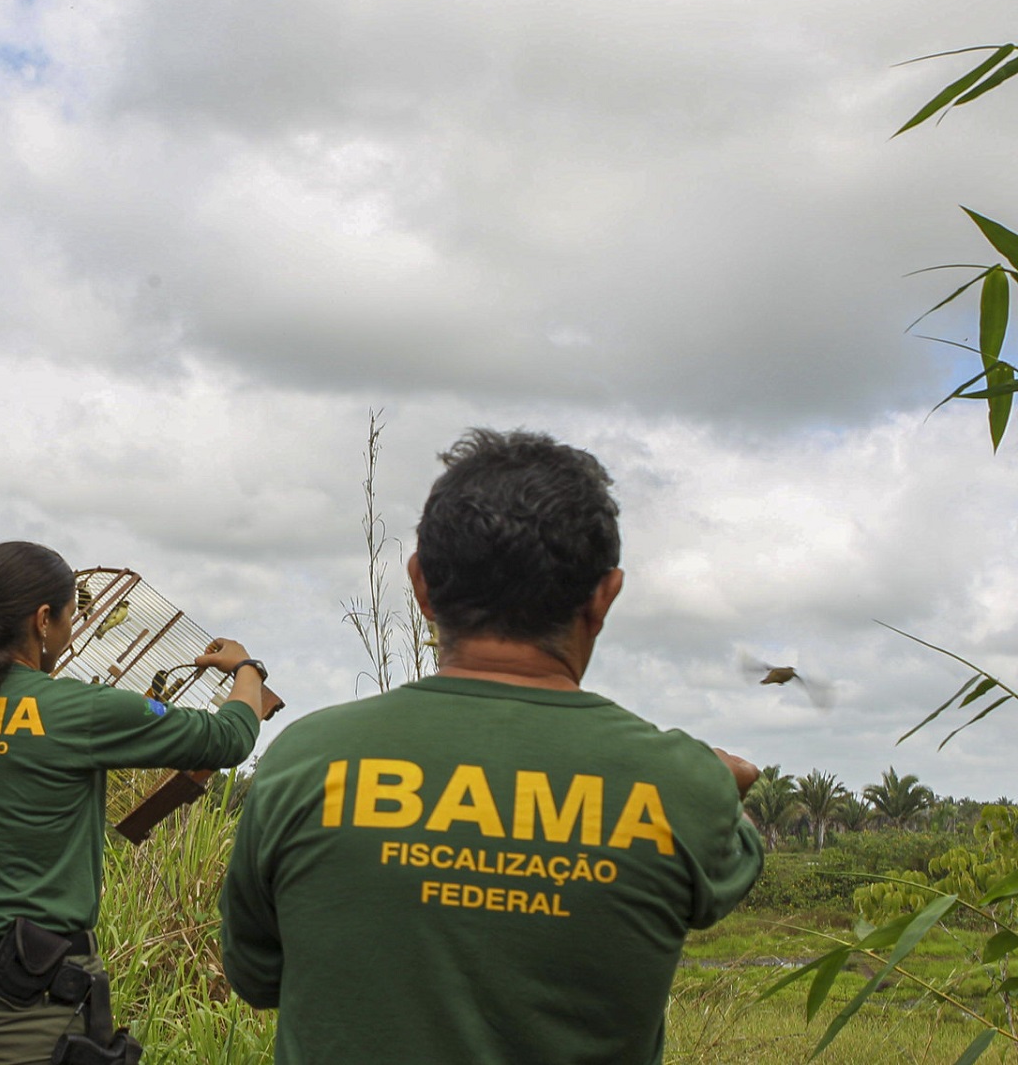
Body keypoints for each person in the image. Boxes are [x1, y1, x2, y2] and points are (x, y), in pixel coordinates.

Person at [220, 429, 765, 1065]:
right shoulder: (682, 788)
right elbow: (728, 853)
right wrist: (720, 784)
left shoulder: (308, 758)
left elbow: (257, 977)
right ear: (605, 595)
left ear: (421, 583)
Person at [0, 541, 275, 1065]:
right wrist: (247, 669)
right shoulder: (74, 709)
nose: (71, 631)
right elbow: (228, 737)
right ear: (42, 620)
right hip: (15, 1001)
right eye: (70, 618)